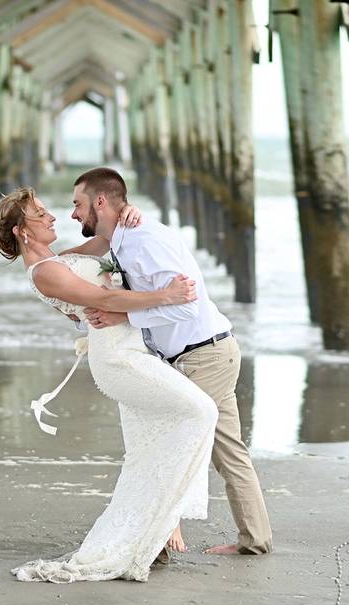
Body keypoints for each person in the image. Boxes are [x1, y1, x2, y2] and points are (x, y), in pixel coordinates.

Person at [0, 187, 219, 583]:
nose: (52, 218)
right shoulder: (44, 273)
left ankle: (156, 528)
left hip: (134, 352)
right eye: (40, 214)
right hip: (119, 361)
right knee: (200, 412)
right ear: (22, 231)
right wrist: (166, 295)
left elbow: (112, 235)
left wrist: (129, 211)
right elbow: (103, 299)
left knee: (147, 448)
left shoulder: (59, 261)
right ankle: (169, 512)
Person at [70, 167, 274, 556]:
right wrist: (51, 258)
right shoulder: (123, 239)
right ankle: (254, 539)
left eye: (78, 204)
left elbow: (185, 307)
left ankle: (160, 539)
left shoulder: (144, 241)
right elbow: (96, 250)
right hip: (196, 354)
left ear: (101, 202)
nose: (74, 214)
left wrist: (125, 316)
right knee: (226, 449)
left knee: (172, 444)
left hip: (203, 355)